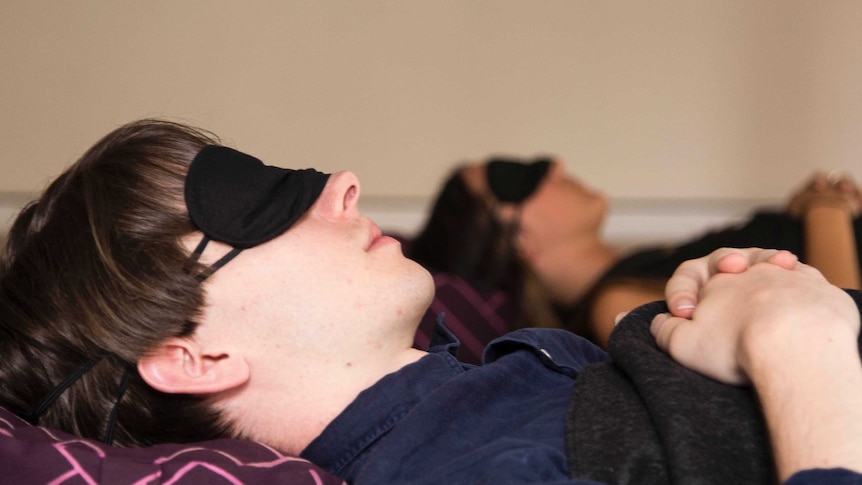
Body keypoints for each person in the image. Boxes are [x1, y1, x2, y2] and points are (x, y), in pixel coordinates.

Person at [1, 119, 861, 484]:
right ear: (194, 355)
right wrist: (799, 348)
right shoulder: (456, 469)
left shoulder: (493, 387)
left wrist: (702, 328)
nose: (340, 184)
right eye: (259, 206)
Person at [407, 157, 862, 358]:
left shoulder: (657, 261)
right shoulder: (616, 307)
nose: (557, 166)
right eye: (520, 176)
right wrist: (828, 212)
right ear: (515, 239)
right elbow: (838, 336)